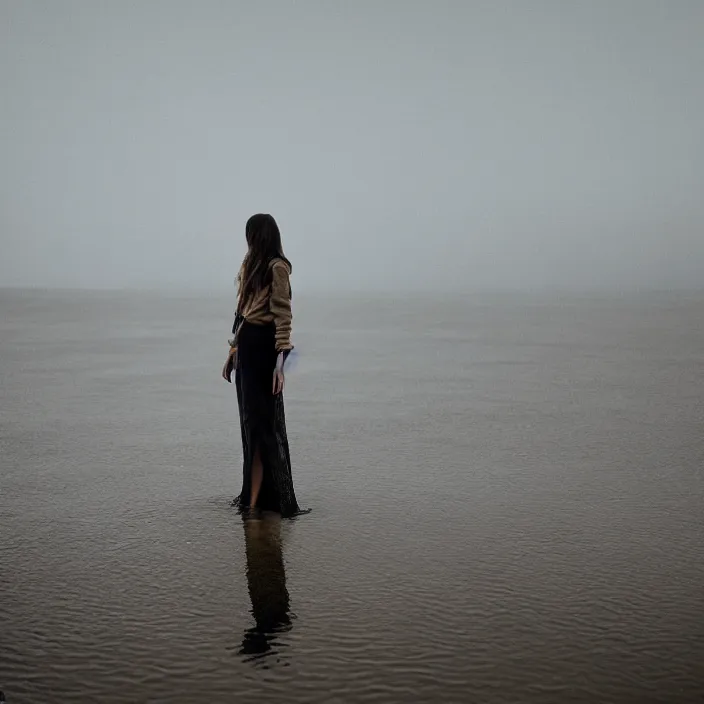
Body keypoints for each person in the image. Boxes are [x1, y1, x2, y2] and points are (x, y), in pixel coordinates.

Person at [222, 214, 304, 517]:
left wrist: (280, 364)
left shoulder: (277, 267)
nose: (248, 240)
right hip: (246, 347)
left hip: (264, 350)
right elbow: (242, 312)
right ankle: (252, 496)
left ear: (262, 236)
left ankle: (264, 501)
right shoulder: (250, 264)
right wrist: (232, 351)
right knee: (249, 426)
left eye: (251, 234)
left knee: (262, 428)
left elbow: (283, 317)